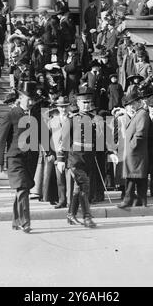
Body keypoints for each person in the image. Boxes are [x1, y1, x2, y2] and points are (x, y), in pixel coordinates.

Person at [0, 81, 40, 233]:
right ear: (20, 98)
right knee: (22, 188)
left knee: (22, 190)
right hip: (15, 158)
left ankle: (16, 221)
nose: (31, 102)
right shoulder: (11, 115)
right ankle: (25, 222)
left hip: (30, 159)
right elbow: (1, 139)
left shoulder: (35, 115)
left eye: (33, 99)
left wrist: (51, 152)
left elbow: (42, 135)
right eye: (28, 99)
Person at [56, 89, 101, 227]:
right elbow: (63, 141)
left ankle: (71, 215)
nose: (87, 105)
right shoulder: (72, 120)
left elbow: (98, 140)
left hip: (88, 159)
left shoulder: (94, 119)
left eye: (89, 103)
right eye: (84, 103)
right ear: (78, 103)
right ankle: (87, 217)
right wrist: (61, 159)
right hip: (75, 159)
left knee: (78, 188)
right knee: (85, 186)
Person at [116, 90, 149, 208]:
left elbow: (140, 133)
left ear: (138, 102)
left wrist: (131, 145)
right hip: (135, 152)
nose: (131, 106)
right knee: (137, 176)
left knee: (131, 176)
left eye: (132, 103)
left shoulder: (142, 114)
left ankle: (128, 200)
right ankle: (141, 200)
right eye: (129, 104)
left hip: (135, 152)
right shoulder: (139, 113)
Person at [48, 96, 73, 209]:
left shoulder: (73, 119)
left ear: (68, 107)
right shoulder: (52, 121)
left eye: (65, 107)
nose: (63, 109)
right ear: (57, 108)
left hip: (71, 152)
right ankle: (62, 200)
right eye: (61, 107)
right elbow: (47, 137)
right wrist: (50, 152)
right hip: (58, 153)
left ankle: (70, 200)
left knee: (70, 177)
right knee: (60, 177)